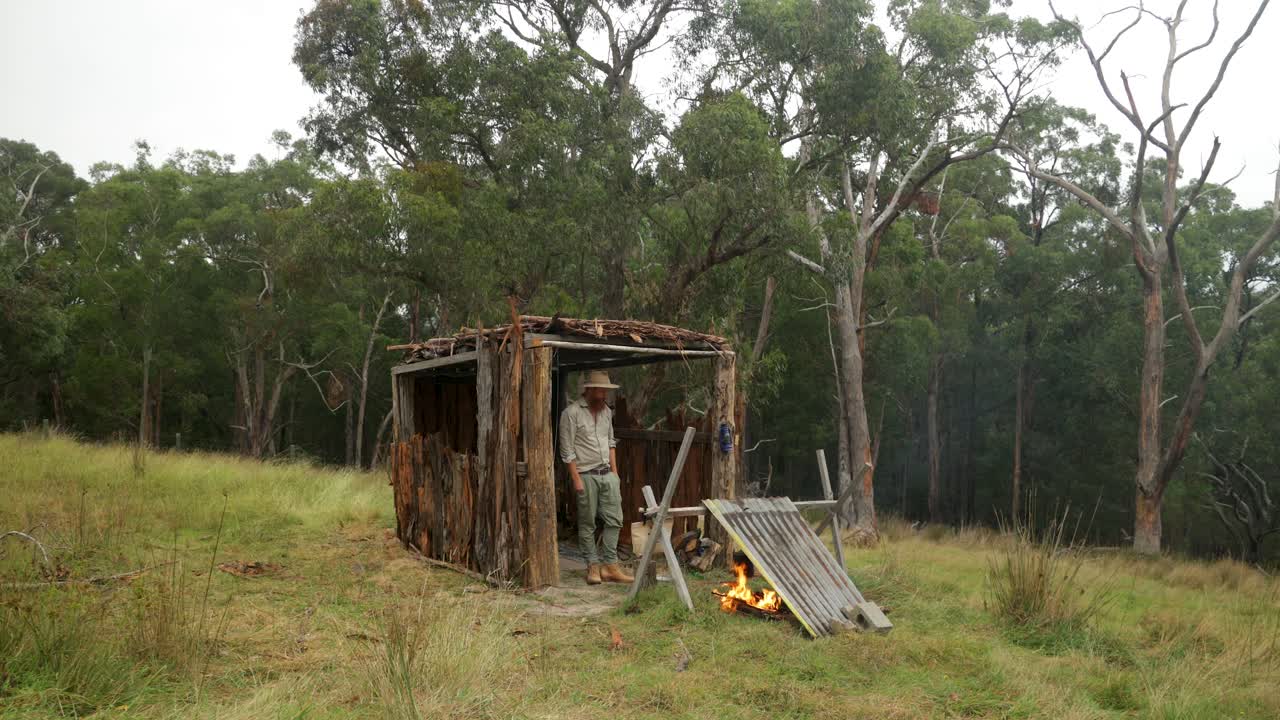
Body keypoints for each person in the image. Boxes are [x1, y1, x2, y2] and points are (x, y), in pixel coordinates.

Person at [558, 370, 634, 585]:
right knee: (587, 523)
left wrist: (615, 473)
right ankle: (592, 567)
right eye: (600, 390)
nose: (603, 395)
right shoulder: (571, 413)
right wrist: (576, 480)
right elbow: (567, 450)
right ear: (588, 390)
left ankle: (610, 566)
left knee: (615, 520)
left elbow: (611, 442)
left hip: (607, 474)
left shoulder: (606, 412)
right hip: (585, 474)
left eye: (605, 391)